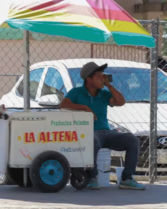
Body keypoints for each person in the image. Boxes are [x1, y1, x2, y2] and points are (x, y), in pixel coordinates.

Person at [59, 62, 145, 190]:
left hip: (106, 132)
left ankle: (126, 179)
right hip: (89, 133)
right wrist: (84, 107)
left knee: (132, 140)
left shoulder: (104, 94)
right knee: (92, 139)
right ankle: (92, 177)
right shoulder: (77, 92)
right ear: (89, 79)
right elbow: (63, 105)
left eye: (104, 76)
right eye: (99, 77)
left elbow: (120, 102)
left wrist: (109, 85)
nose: (103, 79)